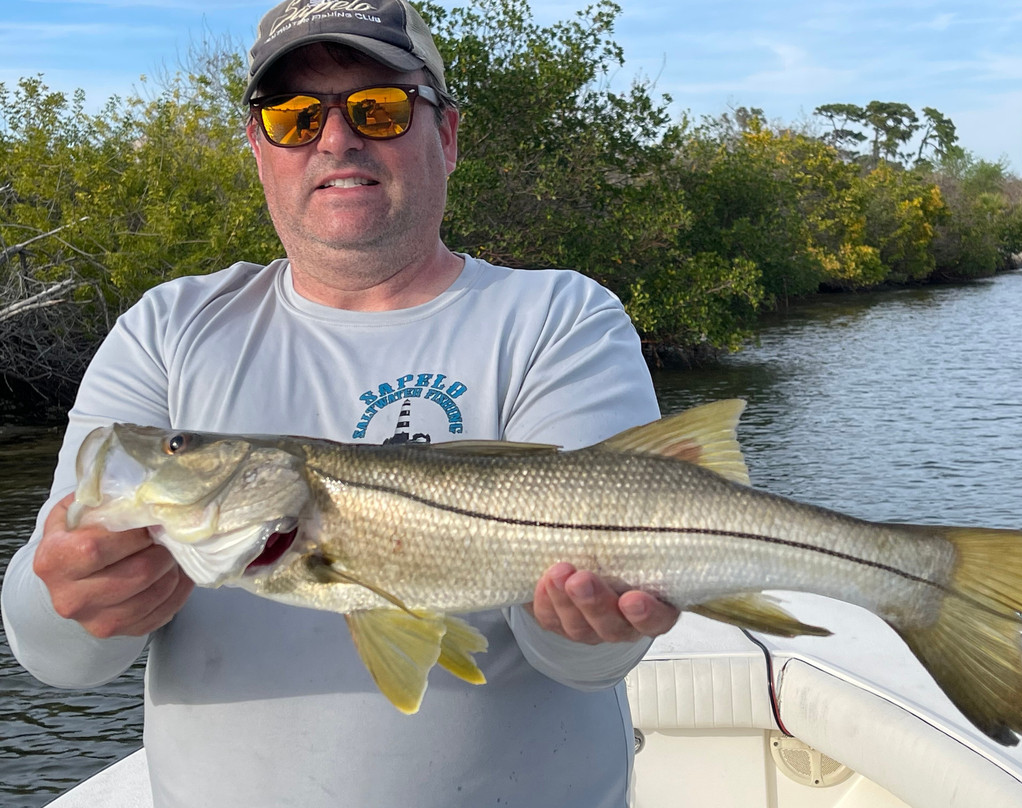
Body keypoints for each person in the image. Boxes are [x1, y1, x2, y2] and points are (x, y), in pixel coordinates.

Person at [0, 1, 680, 805]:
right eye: (293, 117)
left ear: (449, 136)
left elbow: (582, 656)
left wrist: (593, 627)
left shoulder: (560, 318)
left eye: (379, 108)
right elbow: (59, 659)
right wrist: (76, 599)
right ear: (258, 150)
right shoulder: (166, 328)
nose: (336, 139)